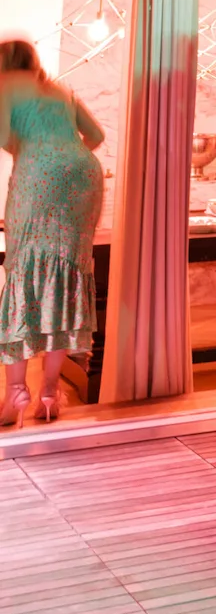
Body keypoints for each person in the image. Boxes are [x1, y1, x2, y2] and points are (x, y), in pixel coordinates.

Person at [0, 41, 105, 428]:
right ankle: (49, 392)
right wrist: (63, 153)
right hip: (83, 172)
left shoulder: (5, 87)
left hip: (39, 175)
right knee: (66, 278)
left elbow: (2, 135)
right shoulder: (59, 89)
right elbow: (95, 135)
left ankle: (15, 394)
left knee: (23, 274)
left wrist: (31, 151)